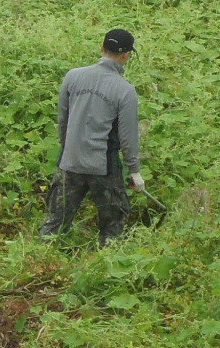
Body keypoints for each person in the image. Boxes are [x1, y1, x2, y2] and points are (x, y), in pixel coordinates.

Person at [42, 29, 144, 246]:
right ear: (126, 55)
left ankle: (39, 262)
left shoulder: (73, 76)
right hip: (103, 166)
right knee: (112, 226)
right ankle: (106, 268)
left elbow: (63, 120)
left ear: (102, 47)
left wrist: (67, 148)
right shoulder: (125, 90)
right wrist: (134, 170)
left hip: (69, 162)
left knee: (54, 223)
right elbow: (128, 137)